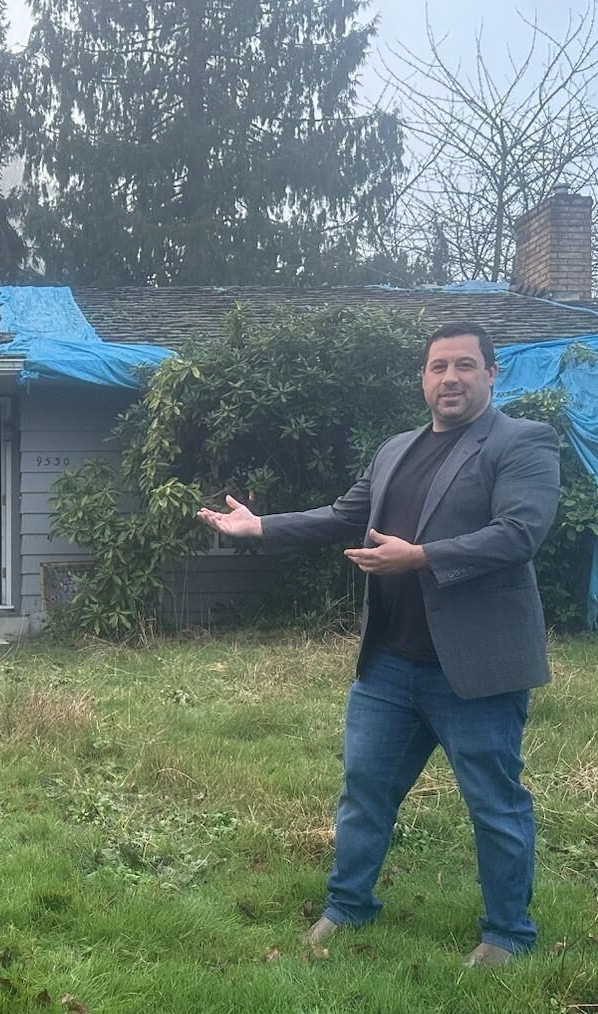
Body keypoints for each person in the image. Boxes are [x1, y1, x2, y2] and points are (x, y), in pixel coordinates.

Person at [197, 321, 560, 967]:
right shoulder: (395, 449)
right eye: (438, 366)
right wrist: (261, 527)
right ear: (423, 378)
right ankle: (349, 905)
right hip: (389, 666)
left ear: (491, 372)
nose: (450, 378)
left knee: (494, 804)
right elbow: (344, 516)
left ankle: (507, 934)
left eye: (465, 365)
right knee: (364, 791)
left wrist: (420, 557)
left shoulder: (522, 441)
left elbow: (519, 533)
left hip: (473, 670)